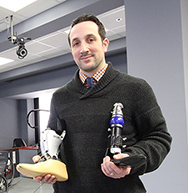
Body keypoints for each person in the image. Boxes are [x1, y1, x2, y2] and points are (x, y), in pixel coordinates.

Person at [33, 14, 172, 193]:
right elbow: (55, 143)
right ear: (71, 50)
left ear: (104, 44)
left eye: (90, 39)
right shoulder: (60, 97)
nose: (84, 48)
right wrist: (47, 164)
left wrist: (131, 159)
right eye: (76, 43)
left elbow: (159, 138)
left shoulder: (136, 88)